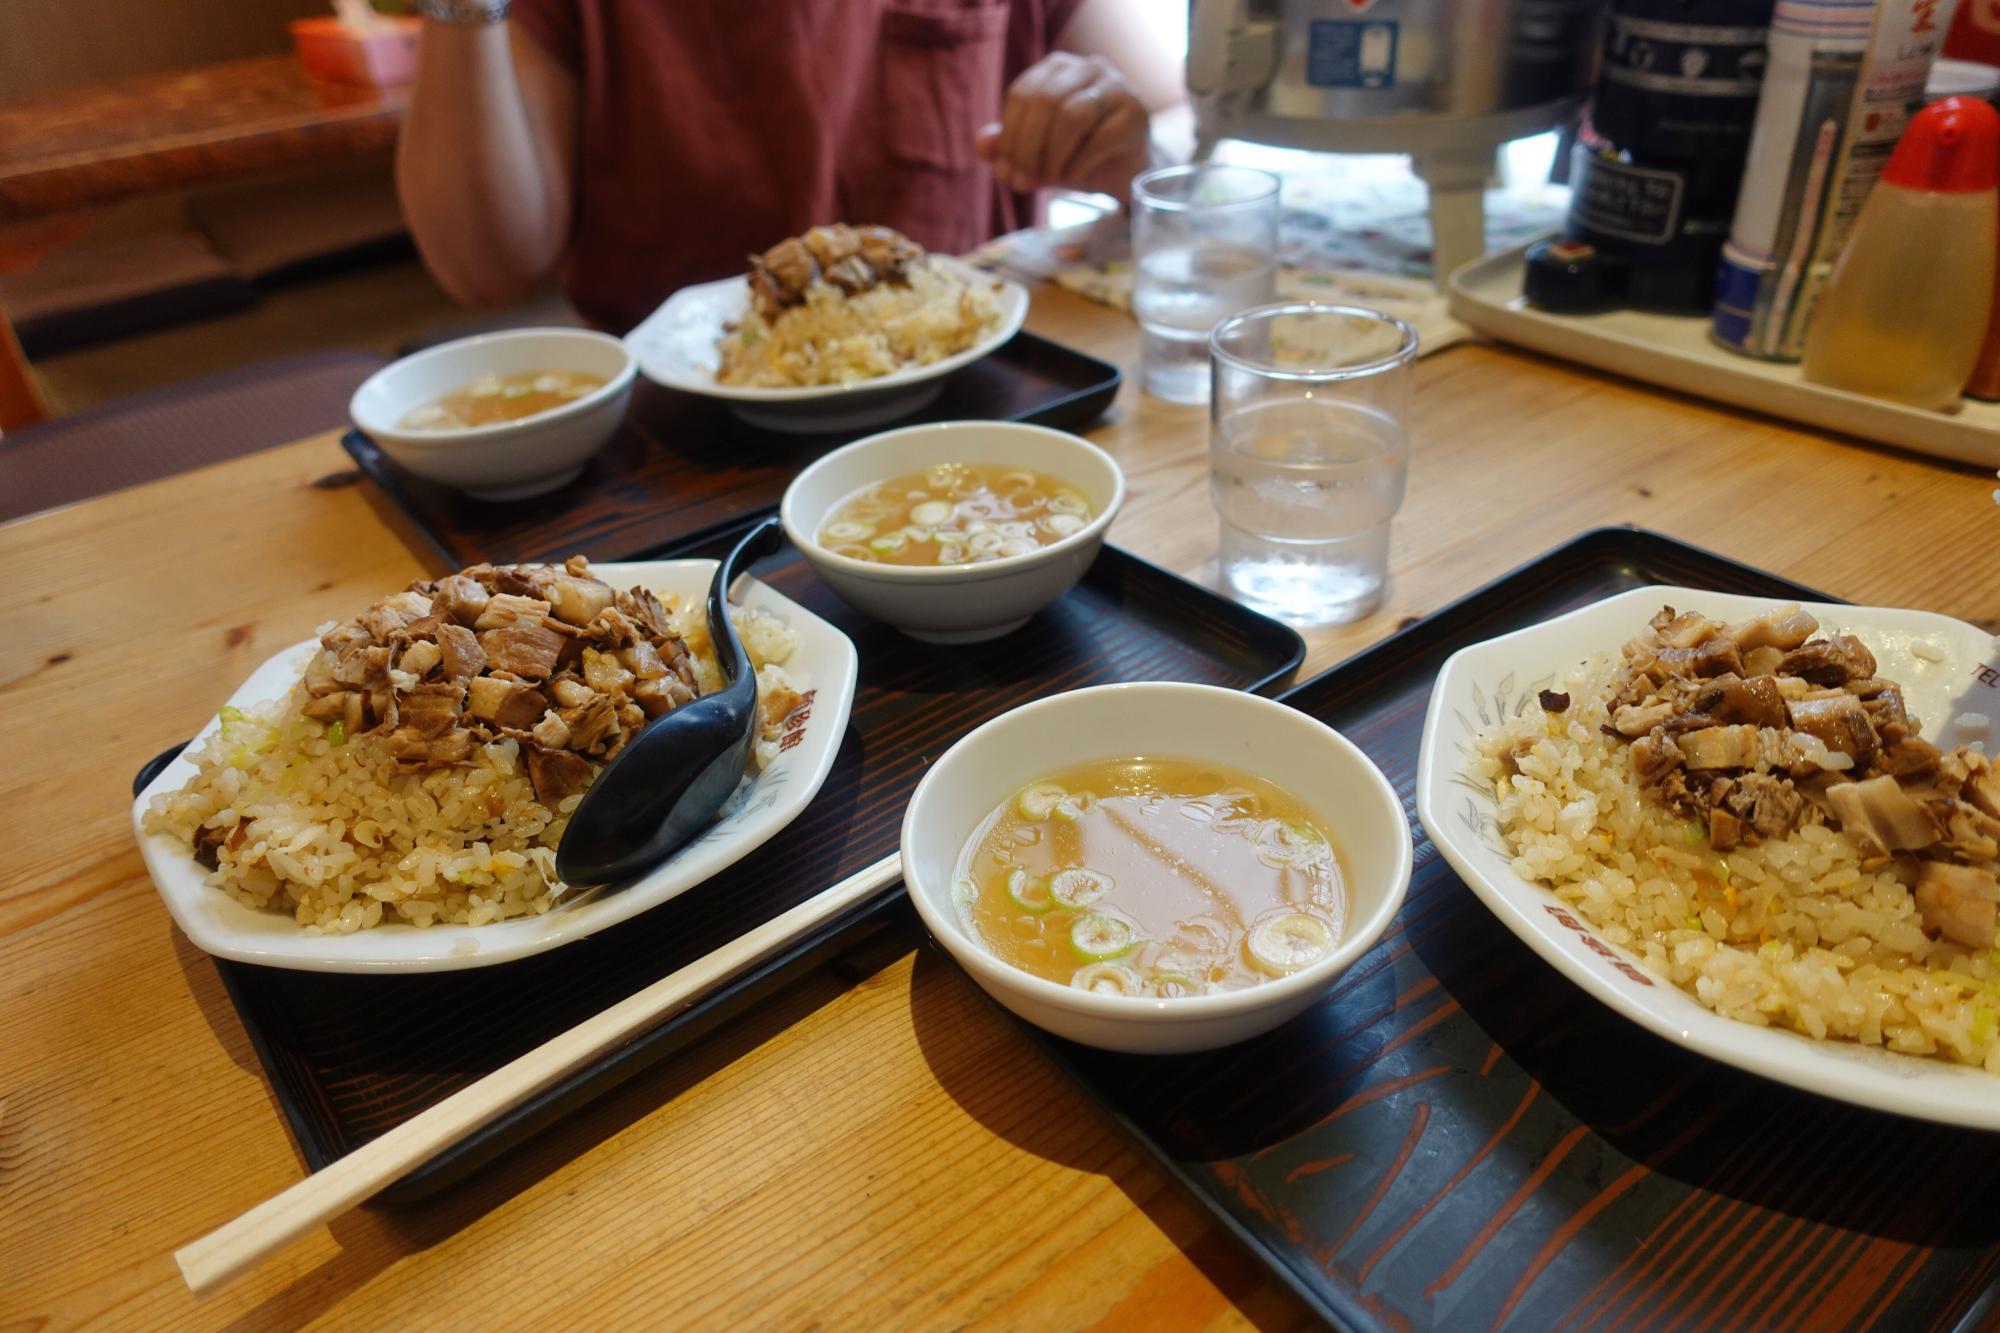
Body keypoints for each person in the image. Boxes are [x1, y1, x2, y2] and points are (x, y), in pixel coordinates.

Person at [396, 0, 1185, 331]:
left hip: (972, 406)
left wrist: (1130, 149)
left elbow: (1178, 134)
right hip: (673, 454)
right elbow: (484, 265)